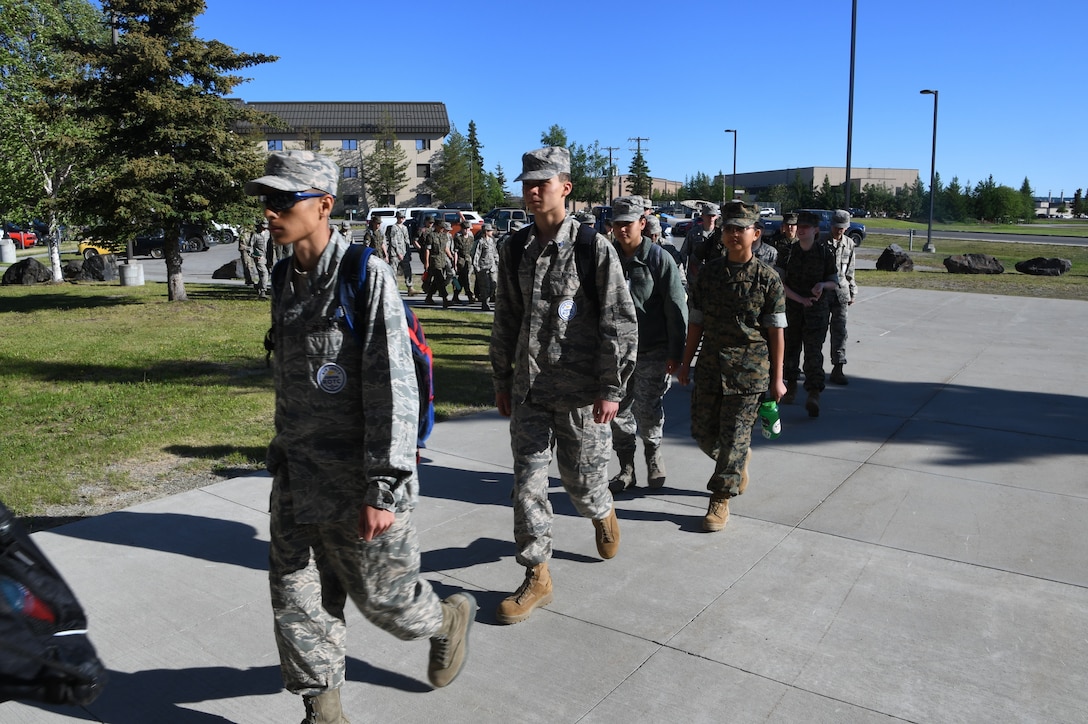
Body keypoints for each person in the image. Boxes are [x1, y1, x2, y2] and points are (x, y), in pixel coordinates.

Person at [247, 150, 475, 722]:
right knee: (297, 601)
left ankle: (446, 619)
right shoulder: (282, 277)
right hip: (298, 474)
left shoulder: (363, 275)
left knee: (388, 602)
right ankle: (323, 710)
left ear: (324, 206)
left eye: (283, 200)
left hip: (359, 478)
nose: (270, 212)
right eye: (266, 201)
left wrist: (384, 486)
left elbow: (394, 387)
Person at [489, 147, 637, 625]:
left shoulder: (594, 249)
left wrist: (612, 388)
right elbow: (506, 319)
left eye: (542, 183)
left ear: (565, 187)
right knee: (527, 484)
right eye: (527, 183)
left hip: (580, 394)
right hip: (532, 390)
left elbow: (619, 320)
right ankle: (537, 574)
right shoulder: (513, 248)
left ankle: (602, 511)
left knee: (582, 483)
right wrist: (501, 378)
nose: (532, 191)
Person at [677, 201, 785, 532]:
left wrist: (778, 380)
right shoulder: (709, 273)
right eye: (728, 228)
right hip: (710, 364)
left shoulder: (768, 279)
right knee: (702, 432)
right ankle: (738, 460)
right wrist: (686, 363)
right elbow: (695, 321)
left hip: (750, 371)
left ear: (756, 234)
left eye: (740, 229)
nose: (733, 234)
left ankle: (720, 500)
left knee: (736, 434)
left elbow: (776, 332)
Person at [606, 196, 687, 493]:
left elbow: (677, 308)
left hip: (652, 349)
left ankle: (653, 455)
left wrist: (676, 352)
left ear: (642, 223)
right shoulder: (607, 258)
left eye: (628, 223)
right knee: (618, 411)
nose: (622, 229)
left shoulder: (658, 259)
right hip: (614, 353)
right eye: (617, 224)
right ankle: (626, 468)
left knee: (649, 408)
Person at [777, 210, 839, 417]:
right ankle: (791, 386)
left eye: (805, 227)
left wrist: (822, 285)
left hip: (816, 311)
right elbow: (780, 284)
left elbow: (834, 282)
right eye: (798, 226)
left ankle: (813, 393)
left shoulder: (824, 253)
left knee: (813, 352)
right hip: (793, 308)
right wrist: (800, 298)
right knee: (790, 350)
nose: (800, 230)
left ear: (815, 230)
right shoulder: (788, 252)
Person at [826, 210, 857, 385]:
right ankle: (812, 367)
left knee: (840, 331)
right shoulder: (821, 241)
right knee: (817, 331)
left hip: (841, 293)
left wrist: (853, 291)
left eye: (843, 228)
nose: (840, 231)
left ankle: (838, 367)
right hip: (822, 293)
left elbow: (850, 271)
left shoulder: (849, 244)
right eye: (837, 227)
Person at [681, 202, 720, 287]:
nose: (711, 219)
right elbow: (684, 254)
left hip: (714, 278)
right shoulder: (694, 233)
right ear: (702, 216)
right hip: (695, 277)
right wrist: (682, 275)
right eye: (708, 216)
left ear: (716, 217)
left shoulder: (720, 234)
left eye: (713, 216)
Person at [422, 220, 454, 308]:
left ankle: (429, 297)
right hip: (434, 260)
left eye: (443, 227)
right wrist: (427, 262)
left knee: (436, 281)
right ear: (436, 226)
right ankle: (445, 299)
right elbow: (428, 249)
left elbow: (446, 248)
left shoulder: (444, 236)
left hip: (443, 260)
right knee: (440, 279)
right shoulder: (431, 236)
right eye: (441, 227)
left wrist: (451, 257)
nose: (442, 229)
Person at [385, 210, 414, 294]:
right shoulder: (394, 227)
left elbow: (407, 240)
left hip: (404, 252)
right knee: (393, 271)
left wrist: (408, 252)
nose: (401, 219)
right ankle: (392, 289)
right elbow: (393, 241)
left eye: (403, 217)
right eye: (400, 217)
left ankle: (410, 287)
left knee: (407, 270)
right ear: (397, 218)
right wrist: (398, 253)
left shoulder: (405, 228)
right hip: (395, 254)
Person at [471, 222, 498, 311]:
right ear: (486, 231)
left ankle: (488, 299)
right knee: (485, 287)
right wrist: (476, 267)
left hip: (492, 267)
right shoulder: (480, 242)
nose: (492, 232)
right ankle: (485, 303)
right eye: (490, 231)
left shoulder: (492, 241)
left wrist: (498, 262)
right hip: (483, 267)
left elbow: (495, 253)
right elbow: (476, 255)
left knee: (494, 285)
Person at [451, 219, 476, 304]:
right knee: (463, 280)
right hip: (461, 261)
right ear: (461, 229)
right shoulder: (458, 238)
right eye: (465, 228)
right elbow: (456, 252)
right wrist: (455, 264)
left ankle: (457, 295)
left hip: (469, 261)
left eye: (468, 229)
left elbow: (472, 250)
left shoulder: (471, 238)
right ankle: (468, 295)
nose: (466, 230)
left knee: (464, 280)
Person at [245, 220, 270, 298]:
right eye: (263, 226)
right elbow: (250, 247)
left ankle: (258, 286)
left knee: (265, 274)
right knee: (264, 273)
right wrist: (254, 255)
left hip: (268, 257)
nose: (264, 228)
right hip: (259, 257)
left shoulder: (268, 233)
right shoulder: (255, 235)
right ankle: (263, 291)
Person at [239, 221, 259, 286]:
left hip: (250, 248)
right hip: (245, 249)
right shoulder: (244, 230)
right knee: (247, 264)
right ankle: (249, 279)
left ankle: (251, 279)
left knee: (251, 264)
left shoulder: (252, 230)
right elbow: (243, 242)